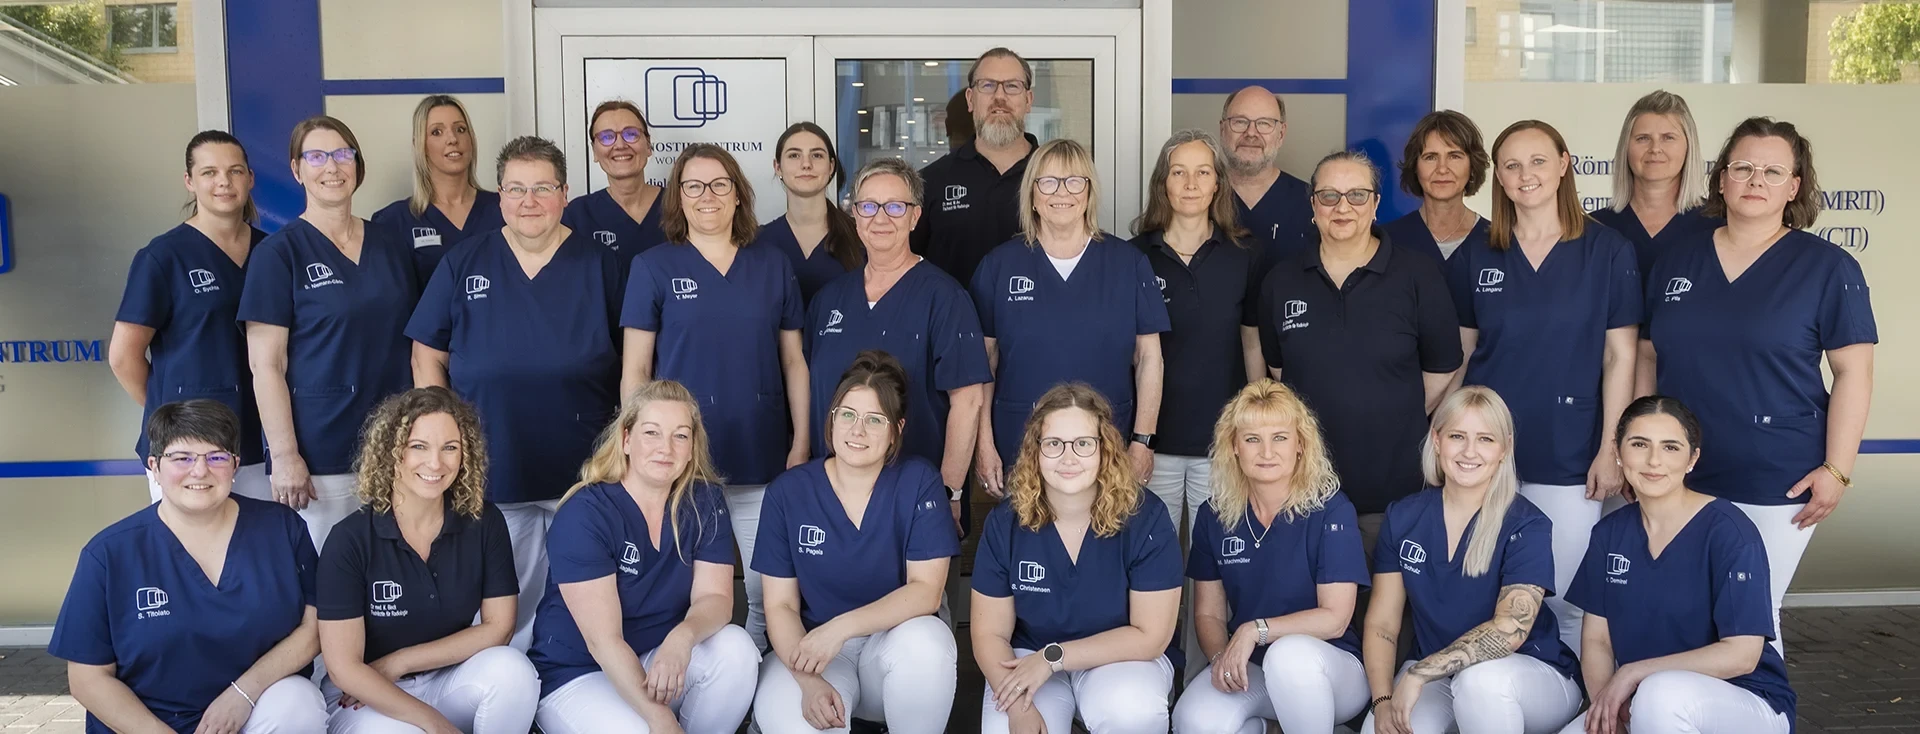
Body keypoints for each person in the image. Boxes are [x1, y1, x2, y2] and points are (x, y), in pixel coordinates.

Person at [1638, 117, 1876, 656]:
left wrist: (1837, 469)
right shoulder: (1679, 258)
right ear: (1720, 179)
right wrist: (1640, 447)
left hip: (1775, 476)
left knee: (1749, 619)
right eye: (1742, 167)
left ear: (1794, 187)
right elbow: (1647, 357)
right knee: (1681, 610)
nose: (1755, 180)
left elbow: (1854, 374)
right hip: (1678, 472)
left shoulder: (1827, 267)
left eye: (1772, 171)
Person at [406, 135, 624, 650]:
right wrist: (444, 439)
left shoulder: (601, 264)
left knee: (586, 588)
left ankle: (574, 681)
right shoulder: (464, 262)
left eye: (542, 188)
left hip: (585, 466)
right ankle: (514, 689)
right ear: (499, 195)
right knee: (509, 592)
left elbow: (635, 361)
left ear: (565, 193)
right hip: (492, 463)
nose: (529, 201)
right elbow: (426, 355)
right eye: (516, 189)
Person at [1446, 119, 1641, 657]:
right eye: (1511, 165)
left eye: (1537, 161)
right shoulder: (1477, 253)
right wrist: (1438, 435)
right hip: (1482, 453)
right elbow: (1461, 357)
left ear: (1564, 164)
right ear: (1499, 180)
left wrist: (1611, 448)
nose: (1524, 174)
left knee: (1566, 600)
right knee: (1488, 593)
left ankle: (1570, 700)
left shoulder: (1607, 251)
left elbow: (1619, 354)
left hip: (1569, 450)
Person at [621, 143, 811, 650]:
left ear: (738, 195)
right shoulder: (652, 267)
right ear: (678, 198)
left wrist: (800, 443)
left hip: (760, 451)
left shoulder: (772, 265)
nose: (708, 196)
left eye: (719, 184)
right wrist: (635, 447)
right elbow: (636, 369)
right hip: (679, 460)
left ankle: (761, 684)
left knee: (769, 588)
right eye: (694, 186)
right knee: (685, 589)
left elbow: (794, 361)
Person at [50, 399, 328, 734]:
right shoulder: (110, 553)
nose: (200, 471)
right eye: (182, 458)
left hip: (255, 709)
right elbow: (87, 678)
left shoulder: (282, 529)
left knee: (298, 703)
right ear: (154, 466)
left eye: (217, 457)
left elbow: (315, 627)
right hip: (149, 724)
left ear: (236, 465)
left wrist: (242, 693)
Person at [528, 380, 761, 734]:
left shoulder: (703, 501)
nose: (665, 448)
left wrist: (681, 638)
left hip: (657, 656)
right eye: (651, 432)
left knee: (736, 651)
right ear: (626, 440)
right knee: (640, 729)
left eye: (680, 436)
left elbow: (715, 599)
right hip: (579, 671)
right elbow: (603, 642)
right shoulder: (585, 513)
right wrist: (660, 718)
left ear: (692, 447)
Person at [1257, 150, 1461, 543]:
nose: (1343, 207)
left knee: (1387, 603)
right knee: (1310, 602)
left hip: (1393, 494)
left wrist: (1390, 413)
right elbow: (1280, 370)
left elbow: (1442, 368)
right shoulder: (1281, 281)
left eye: (1357, 195)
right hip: (1302, 493)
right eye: (1330, 196)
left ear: (1376, 204)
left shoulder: (1418, 275)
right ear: (1313, 205)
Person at [1558, 396, 1795, 734]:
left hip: (1747, 701)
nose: (1654, 460)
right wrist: (1607, 705)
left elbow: (1742, 655)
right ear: (1618, 451)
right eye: (1639, 444)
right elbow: (1597, 640)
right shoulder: (1610, 532)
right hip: (1646, 701)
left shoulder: (1729, 531)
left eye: (1671, 447)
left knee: (1662, 694)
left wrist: (1633, 672)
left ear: (1692, 459)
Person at [752, 352, 961, 734]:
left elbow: (926, 593)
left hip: (889, 649)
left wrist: (840, 629)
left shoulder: (918, 481)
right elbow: (780, 605)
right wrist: (807, 680)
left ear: (896, 429)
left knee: (928, 642)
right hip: (811, 654)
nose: (857, 430)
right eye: (846, 415)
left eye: (874, 420)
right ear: (831, 419)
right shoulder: (790, 492)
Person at [239, 115, 418, 552]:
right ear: (297, 170)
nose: (332, 166)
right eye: (316, 156)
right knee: (330, 585)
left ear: (357, 165)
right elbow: (266, 364)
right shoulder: (278, 254)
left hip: (397, 444)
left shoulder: (390, 243)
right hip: (323, 454)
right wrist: (283, 456)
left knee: (393, 580)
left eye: (343, 154)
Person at [316, 387, 537, 734]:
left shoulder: (483, 521)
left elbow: (500, 627)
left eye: (450, 448)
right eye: (418, 447)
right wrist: (435, 724)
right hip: (364, 694)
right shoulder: (350, 539)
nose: (436, 464)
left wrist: (400, 661)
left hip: (446, 676)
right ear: (391, 453)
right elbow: (344, 668)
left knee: (515, 672)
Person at [1361, 387, 1581, 734]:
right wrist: (1382, 700)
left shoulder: (1527, 524)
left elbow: (1510, 630)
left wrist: (1419, 673)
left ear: (1504, 447)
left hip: (1528, 674)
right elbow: (1383, 624)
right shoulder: (1404, 517)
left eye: (1485, 439)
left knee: (1480, 683)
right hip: (1440, 675)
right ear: (1437, 440)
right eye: (1457, 436)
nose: (1469, 452)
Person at [971, 384, 1182, 734]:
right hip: (1029, 655)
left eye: (1083, 444)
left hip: (1119, 658)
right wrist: (1016, 705)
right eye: (1054, 444)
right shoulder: (1006, 522)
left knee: (1132, 713)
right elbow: (989, 632)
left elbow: (1151, 635)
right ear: (1034, 451)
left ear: (1105, 451)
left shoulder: (1145, 517)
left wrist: (1053, 657)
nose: (1068, 458)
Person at [970, 138, 1170, 497]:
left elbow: (1149, 358)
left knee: (1104, 542)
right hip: (1021, 443)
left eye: (1074, 181)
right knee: (1027, 545)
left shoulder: (1128, 264)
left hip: (1108, 444)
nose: (1061, 192)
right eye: (1048, 181)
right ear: (1032, 194)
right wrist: (984, 444)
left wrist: (1142, 440)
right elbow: (983, 365)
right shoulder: (998, 267)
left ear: (1089, 192)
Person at [1171, 380, 1371, 734]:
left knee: (1288, 657)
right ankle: (1269, 725)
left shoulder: (1330, 509)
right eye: (1252, 439)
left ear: (1300, 445)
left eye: (1279, 437)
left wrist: (1255, 630)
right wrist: (1222, 659)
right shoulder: (1214, 515)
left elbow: (1336, 619)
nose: (1267, 451)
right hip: (1256, 667)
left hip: (1330, 669)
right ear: (1234, 446)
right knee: (1195, 721)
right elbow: (1207, 613)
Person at [805, 159, 989, 532]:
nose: (880, 218)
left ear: (915, 216)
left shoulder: (945, 297)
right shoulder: (829, 300)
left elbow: (968, 401)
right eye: (868, 206)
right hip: (833, 498)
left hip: (916, 500)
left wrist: (949, 492)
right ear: (854, 215)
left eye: (895, 206)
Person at [110, 130, 271, 504]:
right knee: (186, 557)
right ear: (189, 181)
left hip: (259, 445)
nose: (223, 182)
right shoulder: (163, 257)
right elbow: (123, 358)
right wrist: (170, 412)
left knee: (255, 555)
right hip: (186, 451)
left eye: (234, 171)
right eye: (209, 172)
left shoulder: (272, 253)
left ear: (249, 178)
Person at [1128, 129, 1260, 534]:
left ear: (1218, 182)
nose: (1190, 184)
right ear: (1162, 183)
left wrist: (1255, 424)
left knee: (1221, 561)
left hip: (1223, 442)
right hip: (1151, 443)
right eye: (1178, 172)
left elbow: (1252, 341)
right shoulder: (1132, 256)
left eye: (1203, 172)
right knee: (1153, 557)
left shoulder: (1246, 255)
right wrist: (1137, 439)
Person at [912, 47, 1041, 287]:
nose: (999, 97)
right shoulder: (931, 182)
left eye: (1012, 86)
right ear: (971, 99)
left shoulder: (1055, 177)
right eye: (988, 85)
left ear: (1028, 100)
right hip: (953, 323)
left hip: (1038, 323)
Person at [372, 95, 504, 279]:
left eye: (460, 129)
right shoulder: (394, 222)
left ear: (471, 139)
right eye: (436, 132)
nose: (452, 139)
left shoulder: (505, 208)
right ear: (420, 145)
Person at [1588, 90, 1719, 276]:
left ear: (1689, 147)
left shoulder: (1717, 227)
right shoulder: (1595, 228)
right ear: (1626, 147)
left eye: (1668, 138)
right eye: (1643, 138)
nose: (1655, 149)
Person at [763, 121, 862, 305]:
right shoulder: (759, 242)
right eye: (794, 155)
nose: (806, 164)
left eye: (816, 155)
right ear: (778, 167)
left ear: (831, 166)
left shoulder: (861, 236)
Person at [1218, 86, 1314, 267]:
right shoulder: (1199, 199)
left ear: (1281, 134)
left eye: (1264, 123)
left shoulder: (1311, 204)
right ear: (1223, 130)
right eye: (1239, 122)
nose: (1251, 133)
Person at [1383, 110, 1491, 263]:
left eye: (1454, 156)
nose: (1442, 169)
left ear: (1472, 166)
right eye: (1430, 157)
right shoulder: (1387, 241)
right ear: (1415, 166)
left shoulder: (1497, 241)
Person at [563, 100, 668, 257]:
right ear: (595, 151)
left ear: (648, 145)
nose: (620, 145)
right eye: (606, 137)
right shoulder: (577, 216)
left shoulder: (679, 205)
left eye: (631, 134)